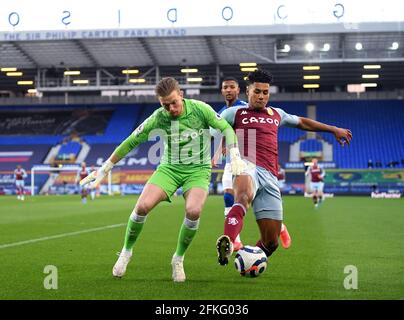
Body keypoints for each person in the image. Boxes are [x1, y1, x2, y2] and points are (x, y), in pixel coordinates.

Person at [80, 77, 245, 282]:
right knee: (141, 207)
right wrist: (105, 168)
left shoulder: (200, 109)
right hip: (169, 168)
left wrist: (235, 154)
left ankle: (178, 258)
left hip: (198, 170)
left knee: (193, 210)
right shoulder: (158, 117)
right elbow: (130, 141)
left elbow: (227, 129)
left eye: (174, 103)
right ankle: (126, 252)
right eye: (165, 105)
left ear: (181, 95)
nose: (171, 109)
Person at [215, 69, 352, 266]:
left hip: (270, 175)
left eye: (265, 92)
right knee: (242, 196)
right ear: (248, 92)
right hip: (246, 165)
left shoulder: (276, 114)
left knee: (271, 242)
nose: (261, 96)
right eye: (257, 92)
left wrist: (333, 130)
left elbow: (303, 122)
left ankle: (248, 261)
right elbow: (212, 128)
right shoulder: (234, 113)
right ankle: (228, 240)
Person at [212, 77, 247, 251]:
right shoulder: (222, 111)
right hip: (230, 160)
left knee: (251, 200)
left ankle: (280, 227)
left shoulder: (244, 107)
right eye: (225, 87)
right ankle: (236, 240)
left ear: (238, 90)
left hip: (248, 158)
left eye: (232, 87)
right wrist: (217, 154)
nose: (228, 90)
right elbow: (223, 133)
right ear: (222, 90)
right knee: (228, 196)